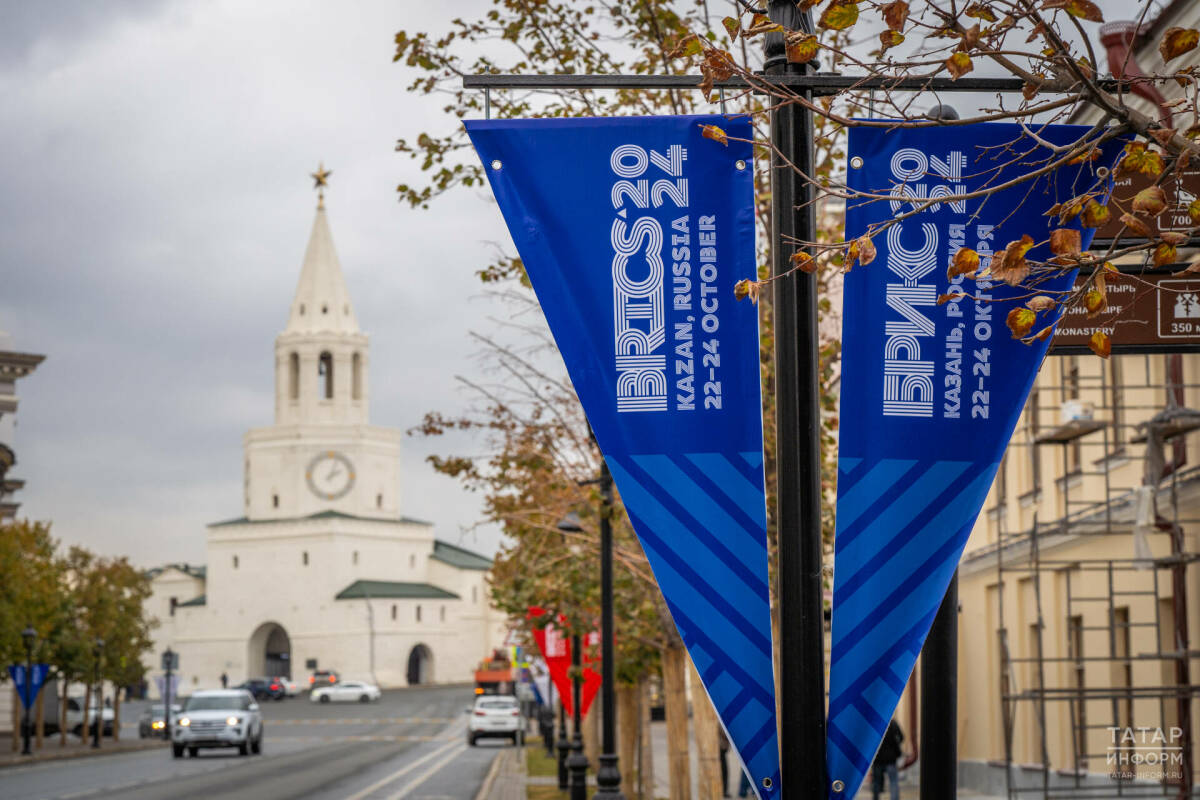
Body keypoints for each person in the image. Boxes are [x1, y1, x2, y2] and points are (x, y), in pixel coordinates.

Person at [871, 718, 905, 800]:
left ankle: (875, 798)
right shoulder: (892, 723)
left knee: (876, 782)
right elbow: (901, 737)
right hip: (890, 758)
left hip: (877, 758)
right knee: (893, 782)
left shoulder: (874, 723)